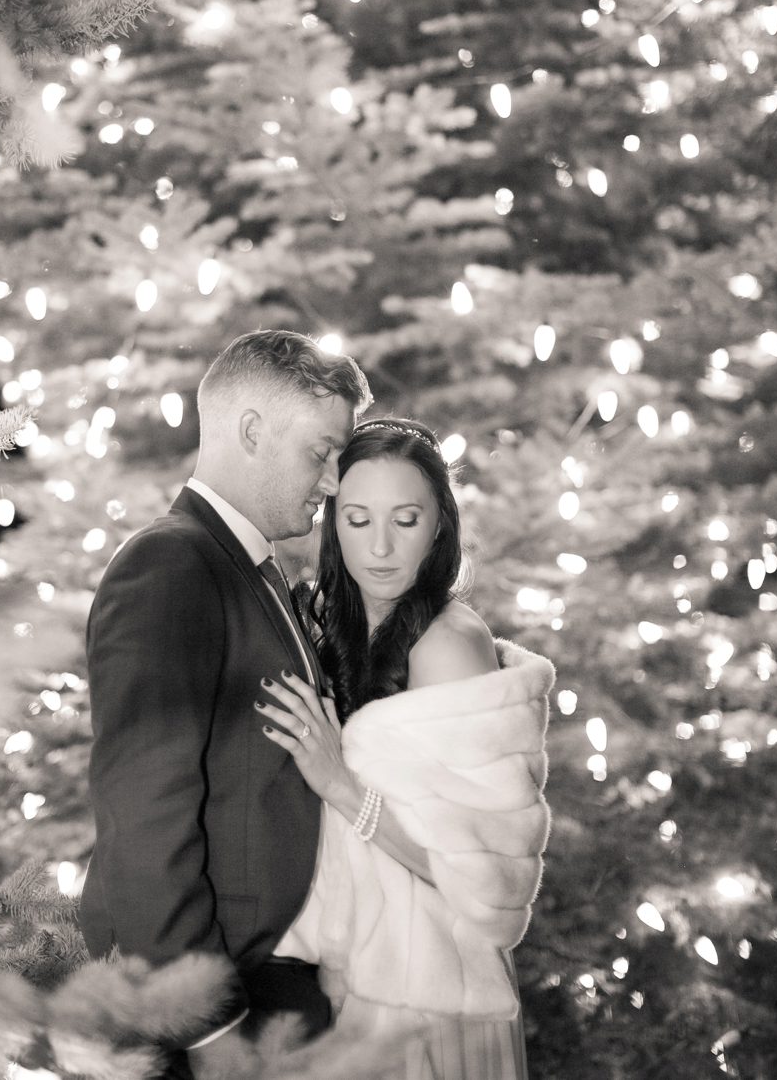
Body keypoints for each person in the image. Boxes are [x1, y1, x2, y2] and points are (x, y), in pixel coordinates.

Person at [80, 330, 372, 1072]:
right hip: (220, 1005)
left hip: (274, 988)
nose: (334, 480)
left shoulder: (253, 569)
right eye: (321, 452)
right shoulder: (170, 565)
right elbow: (144, 817)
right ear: (251, 431)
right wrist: (209, 1031)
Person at [258, 417, 551, 1078]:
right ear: (333, 524)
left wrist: (341, 785)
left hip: (432, 1002)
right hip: (357, 979)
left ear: (440, 525)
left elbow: (486, 878)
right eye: (358, 520)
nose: (381, 547)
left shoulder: (448, 645)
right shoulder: (331, 622)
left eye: (406, 519)